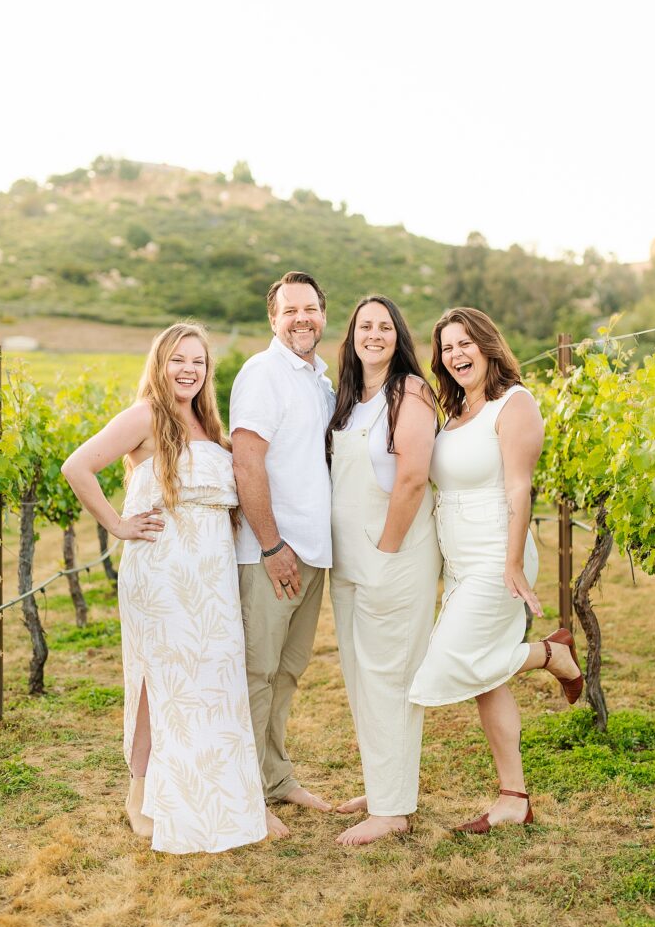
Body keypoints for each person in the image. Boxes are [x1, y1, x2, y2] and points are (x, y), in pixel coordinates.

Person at [61, 322, 267, 854]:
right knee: (160, 681)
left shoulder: (207, 423)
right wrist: (118, 525)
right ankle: (141, 795)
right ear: (160, 362)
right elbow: (77, 466)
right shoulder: (146, 415)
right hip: (162, 574)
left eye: (197, 361)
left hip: (212, 580)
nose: (188, 370)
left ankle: (211, 790)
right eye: (178, 359)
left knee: (210, 681)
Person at [409, 308, 583, 833]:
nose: (456, 355)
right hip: (459, 560)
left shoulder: (515, 403)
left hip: (496, 552)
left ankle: (549, 653)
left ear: (487, 345)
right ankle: (514, 797)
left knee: (452, 661)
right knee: (484, 675)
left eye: (465, 344)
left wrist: (511, 562)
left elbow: (517, 488)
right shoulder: (454, 412)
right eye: (446, 348)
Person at [327, 295, 442, 845]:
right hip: (350, 558)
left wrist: (386, 551)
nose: (374, 334)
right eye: (364, 326)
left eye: (384, 326)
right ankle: (383, 786)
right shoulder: (352, 398)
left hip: (390, 557)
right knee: (361, 676)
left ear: (399, 335)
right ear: (351, 335)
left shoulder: (409, 391)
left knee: (390, 677)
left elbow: (413, 478)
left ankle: (393, 809)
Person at [230, 270, 336, 840]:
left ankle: (276, 778)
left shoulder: (319, 380)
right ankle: (247, 796)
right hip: (272, 553)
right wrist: (271, 546)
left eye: (311, 309)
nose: (302, 318)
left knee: (287, 673)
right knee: (256, 672)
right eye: (290, 310)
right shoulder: (263, 374)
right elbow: (246, 462)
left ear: (323, 315)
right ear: (273, 319)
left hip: (312, 554)